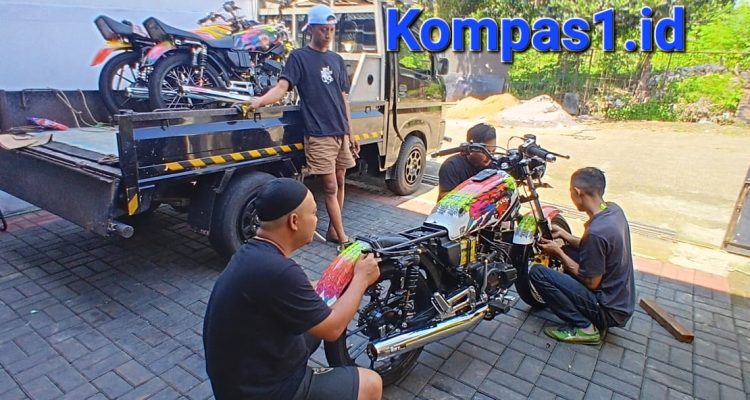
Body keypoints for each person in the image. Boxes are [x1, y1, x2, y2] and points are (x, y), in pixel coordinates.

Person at [203, 178, 383, 400]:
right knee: (371, 384)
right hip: (261, 391)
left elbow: (299, 293)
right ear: (294, 221)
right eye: (314, 213)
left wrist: (335, 278)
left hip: (240, 377)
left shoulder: (254, 254)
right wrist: (361, 279)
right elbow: (333, 329)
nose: (317, 220)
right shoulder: (280, 271)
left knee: (312, 328)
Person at [249, 5, 357, 249]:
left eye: (331, 29)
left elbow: (344, 99)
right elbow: (282, 88)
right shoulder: (299, 57)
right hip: (319, 133)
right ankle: (343, 238)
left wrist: (350, 133)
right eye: (323, 29)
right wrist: (259, 101)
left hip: (340, 131)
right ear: (311, 30)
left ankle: (333, 230)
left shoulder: (337, 59)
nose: (328, 34)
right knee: (329, 186)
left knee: (341, 181)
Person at [530, 167, 635, 345]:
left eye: (571, 191)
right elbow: (596, 249)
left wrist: (558, 253)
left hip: (608, 310)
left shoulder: (596, 233)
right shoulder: (612, 209)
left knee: (537, 273)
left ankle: (584, 327)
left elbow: (591, 283)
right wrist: (566, 236)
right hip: (621, 302)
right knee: (568, 250)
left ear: (578, 192)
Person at [437, 123, 498, 201]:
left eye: (493, 151)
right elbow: (445, 197)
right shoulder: (451, 166)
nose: (490, 156)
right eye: (485, 151)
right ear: (471, 149)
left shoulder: (493, 163)